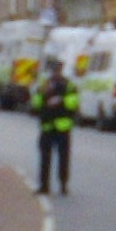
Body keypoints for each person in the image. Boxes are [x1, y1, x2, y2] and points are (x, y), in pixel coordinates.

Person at [31, 59, 79, 195]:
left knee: (63, 157)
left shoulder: (69, 85)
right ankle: (43, 186)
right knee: (45, 158)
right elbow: (36, 104)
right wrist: (43, 98)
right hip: (47, 126)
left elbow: (74, 103)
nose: (55, 72)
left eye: (58, 70)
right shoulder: (44, 85)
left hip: (63, 127)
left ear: (61, 70)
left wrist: (61, 100)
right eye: (54, 70)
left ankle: (63, 185)